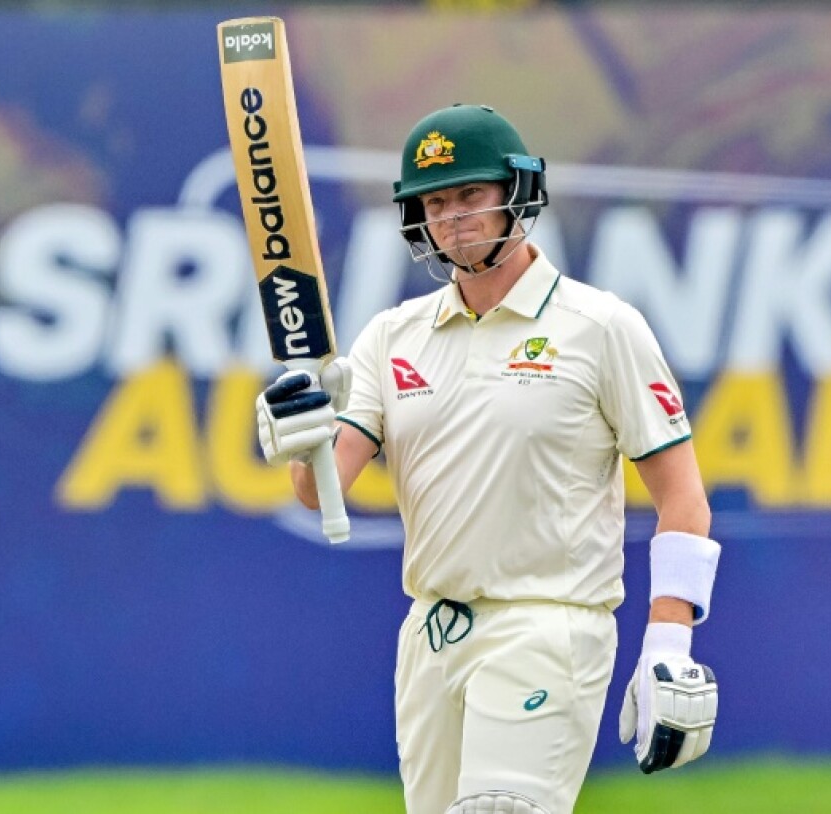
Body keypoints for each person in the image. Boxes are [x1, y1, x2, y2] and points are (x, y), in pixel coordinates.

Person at [255, 103, 721, 814]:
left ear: (517, 193)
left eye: (471, 195)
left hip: (548, 622)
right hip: (432, 632)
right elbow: (320, 491)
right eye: (436, 202)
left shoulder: (600, 328)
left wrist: (668, 643)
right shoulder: (391, 337)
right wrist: (300, 432)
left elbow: (682, 495)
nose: (453, 218)